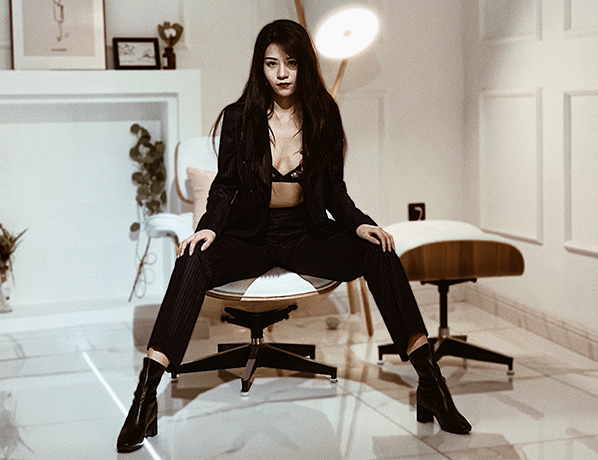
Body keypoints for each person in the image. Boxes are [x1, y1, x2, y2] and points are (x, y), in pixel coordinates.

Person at [116, 19, 471, 453]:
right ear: (260, 67)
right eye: (271, 64)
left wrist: (360, 222)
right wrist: (207, 227)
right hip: (251, 236)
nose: (281, 73)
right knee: (191, 259)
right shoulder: (238, 117)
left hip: (305, 234)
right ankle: (144, 398)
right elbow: (225, 188)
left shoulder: (324, 115)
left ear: (304, 64)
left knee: (379, 251)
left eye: (291, 63)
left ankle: (430, 383)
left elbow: (334, 189)